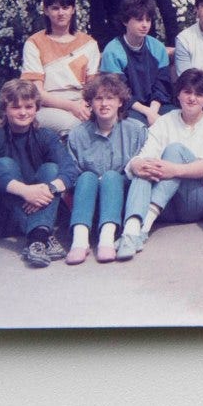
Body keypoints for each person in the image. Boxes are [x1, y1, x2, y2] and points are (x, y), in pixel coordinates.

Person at [114, 68, 203, 260]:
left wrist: (174, 169)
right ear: (178, 94)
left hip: (196, 201)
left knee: (175, 150)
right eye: (187, 92)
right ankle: (132, 232)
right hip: (165, 208)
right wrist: (136, 165)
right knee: (144, 167)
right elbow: (146, 154)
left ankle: (145, 224)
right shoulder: (164, 121)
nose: (192, 98)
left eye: (199, 94)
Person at [0, 79, 77, 268]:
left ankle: (36, 239)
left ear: (37, 108)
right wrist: (24, 191)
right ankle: (42, 234)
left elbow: (70, 168)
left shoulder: (46, 136)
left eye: (29, 106)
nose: (23, 112)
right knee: (4, 164)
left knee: (52, 170)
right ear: (5, 109)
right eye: (15, 107)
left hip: (37, 205)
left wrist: (49, 188)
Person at [63, 73, 147, 264]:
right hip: (88, 199)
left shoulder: (136, 130)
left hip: (120, 200)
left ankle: (107, 238)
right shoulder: (77, 134)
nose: (104, 104)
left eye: (110, 98)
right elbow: (71, 173)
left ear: (120, 102)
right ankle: (80, 239)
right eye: (98, 98)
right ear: (90, 103)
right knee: (86, 177)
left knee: (111, 177)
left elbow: (142, 170)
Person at [20, 0, 101, 134]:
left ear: (73, 10)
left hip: (82, 103)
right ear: (46, 11)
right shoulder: (34, 43)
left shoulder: (89, 44)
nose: (61, 13)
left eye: (65, 7)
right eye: (55, 8)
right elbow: (37, 93)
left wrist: (84, 105)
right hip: (47, 107)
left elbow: (93, 87)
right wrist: (71, 107)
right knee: (75, 127)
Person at [99, 0, 175, 127]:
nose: (145, 25)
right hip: (128, 108)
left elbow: (162, 85)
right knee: (137, 128)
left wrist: (153, 111)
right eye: (139, 20)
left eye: (148, 20)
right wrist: (148, 113)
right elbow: (119, 92)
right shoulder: (112, 51)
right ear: (125, 21)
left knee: (177, 121)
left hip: (156, 105)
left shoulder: (157, 48)